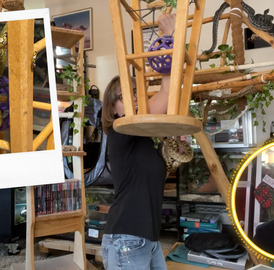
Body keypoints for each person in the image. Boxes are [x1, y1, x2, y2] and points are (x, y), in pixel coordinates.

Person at [100, 13, 176, 270]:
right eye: (123, 96)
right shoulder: (121, 130)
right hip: (126, 237)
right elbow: (164, 100)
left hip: (148, 239)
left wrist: (170, 39)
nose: (132, 98)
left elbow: (166, 92)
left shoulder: (142, 135)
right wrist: (169, 37)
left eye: (134, 92)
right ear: (113, 109)